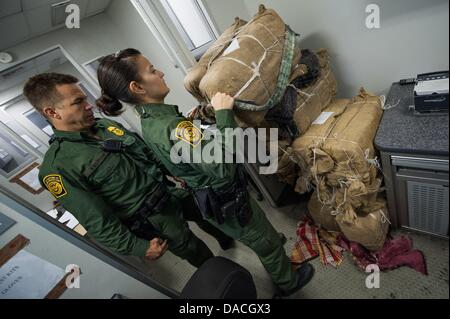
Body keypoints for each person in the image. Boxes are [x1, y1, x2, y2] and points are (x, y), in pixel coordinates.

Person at [95, 48, 314, 296]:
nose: (161, 72)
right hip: (225, 197)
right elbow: (222, 166)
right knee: (267, 245)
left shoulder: (151, 121)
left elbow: (179, 154)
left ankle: (269, 242)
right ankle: (287, 283)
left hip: (212, 197)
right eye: (152, 70)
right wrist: (223, 113)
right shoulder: (171, 126)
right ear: (137, 88)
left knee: (259, 231)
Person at [23, 72, 232, 268]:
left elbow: (147, 153)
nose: (89, 106)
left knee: (207, 216)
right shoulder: (58, 168)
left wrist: (176, 171)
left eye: (85, 99)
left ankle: (225, 239)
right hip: (154, 216)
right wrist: (138, 247)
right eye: (78, 102)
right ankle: (225, 275)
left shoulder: (105, 126)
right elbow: (98, 221)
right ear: (52, 112)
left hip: (171, 191)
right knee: (195, 250)